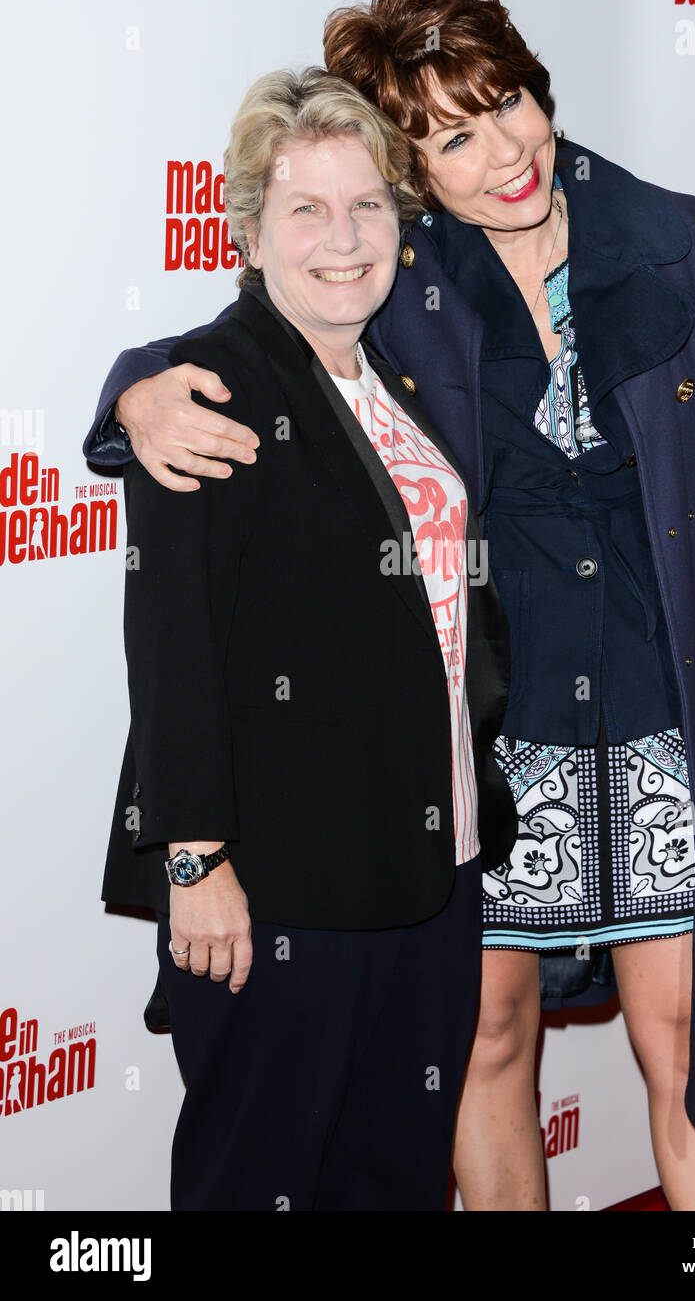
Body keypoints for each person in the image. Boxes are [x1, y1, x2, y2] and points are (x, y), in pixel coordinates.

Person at [87, 0, 695, 1212]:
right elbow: (262, 328)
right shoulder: (405, 269)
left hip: (661, 697)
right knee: (485, 1044)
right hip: (491, 737)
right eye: (451, 137)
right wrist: (131, 394)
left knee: (688, 1050)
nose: (502, 152)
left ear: (537, 88)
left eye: (505, 103)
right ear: (415, 171)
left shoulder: (683, 241)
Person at [100, 64, 516, 1212]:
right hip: (277, 890)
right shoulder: (206, 389)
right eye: (307, 210)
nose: (344, 238)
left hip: (433, 873)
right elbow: (170, 638)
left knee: (389, 1179)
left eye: (367, 205)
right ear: (250, 230)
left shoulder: (395, 378)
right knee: (261, 1180)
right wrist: (194, 859)